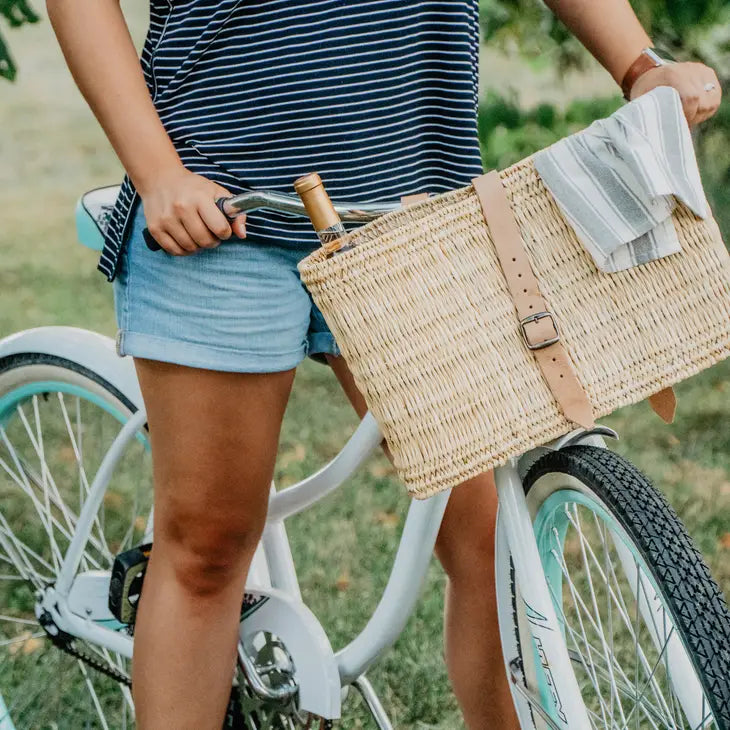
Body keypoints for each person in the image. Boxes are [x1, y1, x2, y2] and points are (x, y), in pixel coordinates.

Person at [48, 1, 721, 727]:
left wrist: (639, 65)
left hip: (408, 211)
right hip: (217, 208)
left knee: (490, 544)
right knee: (206, 551)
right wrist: (156, 174)